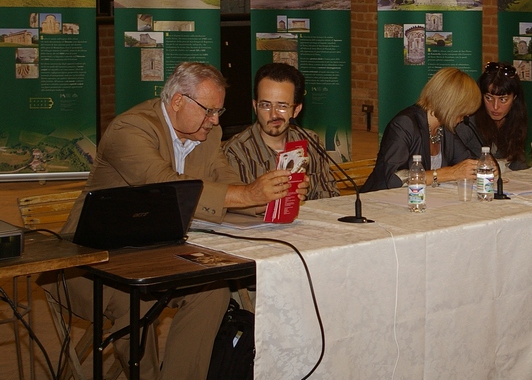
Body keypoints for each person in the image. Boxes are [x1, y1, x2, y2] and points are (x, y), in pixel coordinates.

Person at [53, 62, 308, 380]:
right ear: (177, 102)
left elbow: (228, 187)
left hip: (157, 253)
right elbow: (166, 188)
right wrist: (248, 194)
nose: (216, 121)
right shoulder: (130, 130)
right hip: (89, 259)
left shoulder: (208, 134)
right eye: (209, 111)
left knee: (213, 291)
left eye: (219, 111)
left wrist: (271, 196)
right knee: (139, 301)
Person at [224, 62, 339, 201]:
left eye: (282, 106)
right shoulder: (237, 152)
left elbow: (329, 196)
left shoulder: (311, 142)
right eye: (265, 105)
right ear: (255, 106)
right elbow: (235, 207)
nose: (273, 114)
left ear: (296, 110)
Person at [362, 67, 481, 192]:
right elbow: (394, 179)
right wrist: (447, 173)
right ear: (451, 105)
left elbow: (465, 162)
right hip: (381, 202)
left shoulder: (445, 128)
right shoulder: (404, 124)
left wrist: (482, 166)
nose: (467, 116)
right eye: (464, 110)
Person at [456, 61, 529, 171]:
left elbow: (519, 165)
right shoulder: (467, 123)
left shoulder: (515, 120)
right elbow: (453, 164)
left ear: (514, 98)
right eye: (489, 98)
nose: (495, 107)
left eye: (503, 100)